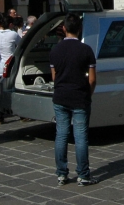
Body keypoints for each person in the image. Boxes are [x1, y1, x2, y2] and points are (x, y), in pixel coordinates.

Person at [50, 13, 98, 186]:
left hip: (61, 96)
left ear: (64, 28)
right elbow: (92, 79)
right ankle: (83, 174)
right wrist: (88, 93)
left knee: (61, 135)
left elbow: (54, 77)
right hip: (80, 97)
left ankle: (61, 174)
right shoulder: (86, 50)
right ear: (80, 29)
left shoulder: (55, 50)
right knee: (81, 136)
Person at [0, 15, 21, 124]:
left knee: (0, 93)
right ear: (10, 24)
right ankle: (20, 113)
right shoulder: (13, 34)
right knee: (14, 90)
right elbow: (20, 45)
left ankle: (0, 116)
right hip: (11, 65)